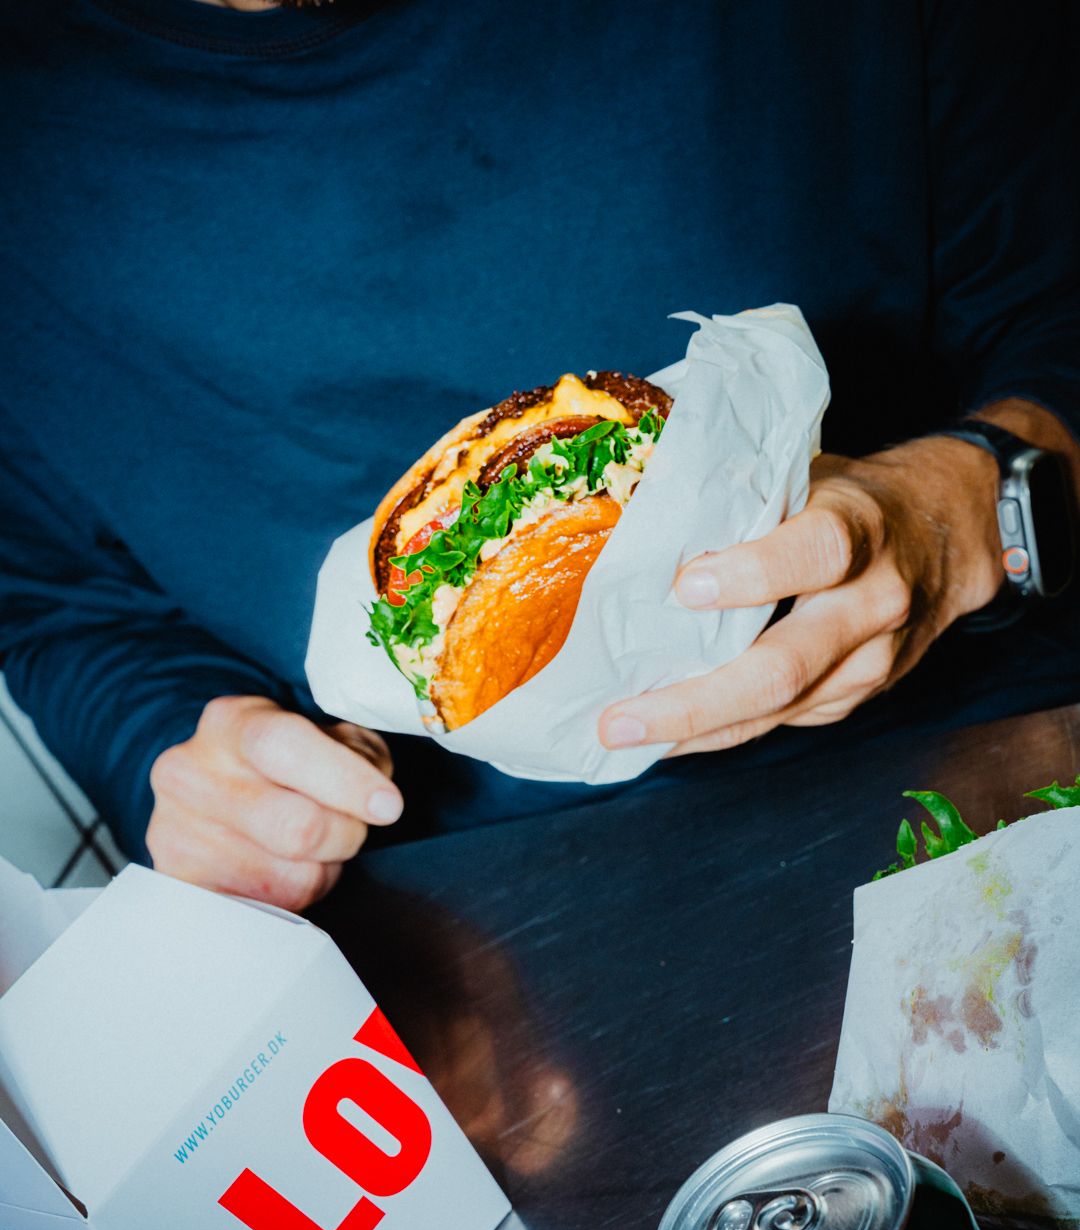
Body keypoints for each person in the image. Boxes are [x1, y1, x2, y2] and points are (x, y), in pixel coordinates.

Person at [2, 0, 1078, 909]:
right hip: (460, 931)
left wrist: (973, 510)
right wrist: (181, 753)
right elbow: (58, 601)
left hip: (984, 750)